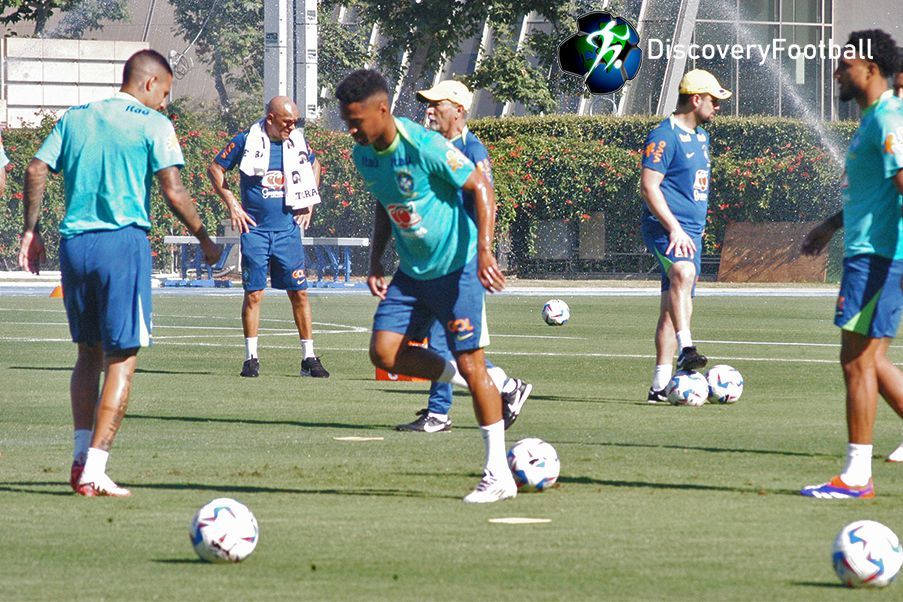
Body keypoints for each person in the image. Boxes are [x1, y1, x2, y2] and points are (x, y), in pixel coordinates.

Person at [18, 49, 221, 497]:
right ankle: (95, 468)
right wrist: (205, 238)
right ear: (149, 83)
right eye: (166, 93)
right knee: (121, 360)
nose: (166, 103)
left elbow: (36, 167)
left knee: (86, 354)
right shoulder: (153, 124)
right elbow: (173, 190)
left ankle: (78, 458)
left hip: (75, 245)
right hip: (121, 244)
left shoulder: (76, 116)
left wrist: (31, 232)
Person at [336, 69, 515, 503]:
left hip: (457, 268)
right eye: (347, 121)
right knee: (384, 352)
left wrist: (486, 251)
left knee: (472, 365)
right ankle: (482, 380)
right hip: (412, 273)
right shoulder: (364, 155)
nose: (352, 129)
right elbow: (386, 203)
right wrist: (376, 257)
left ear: (383, 110)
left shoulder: (425, 146)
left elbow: (481, 187)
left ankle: (498, 474)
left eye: (357, 120)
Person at [390, 79, 532, 433]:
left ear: (459, 110)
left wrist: (484, 252)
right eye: (428, 102)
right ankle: (504, 385)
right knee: (424, 345)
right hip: (434, 262)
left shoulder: (473, 151)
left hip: (460, 263)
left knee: (442, 343)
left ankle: (441, 413)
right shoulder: (429, 146)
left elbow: (488, 200)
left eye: (437, 103)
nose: (429, 109)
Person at [799, 29, 903, 499]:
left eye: (845, 63)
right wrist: (829, 226)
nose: (837, 71)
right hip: (869, 250)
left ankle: (856, 477)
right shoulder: (872, 119)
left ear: (871, 69)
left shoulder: (889, 120)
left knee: (856, 362)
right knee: (870, 361)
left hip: (880, 256)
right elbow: (873, 192)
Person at [208, 96, 329, 379]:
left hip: (287, 230)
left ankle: (308, 358)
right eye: (288, 122)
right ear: (271, 119)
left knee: (299, 292)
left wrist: (309, 200)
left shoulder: (296, 141)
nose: (293, 126)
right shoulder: (245, 140)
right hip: (256, 231)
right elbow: (215, 168)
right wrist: (232, 203)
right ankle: (251, 358)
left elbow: (316, 164)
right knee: (254, 294)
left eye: (296, 121)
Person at [640, 69, 731, 403]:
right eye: (713, 101)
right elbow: (649, 187)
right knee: (684, 272)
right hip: (666, 230)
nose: (717, 108)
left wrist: (695, 225)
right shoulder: (664, 136)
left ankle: (659, 387)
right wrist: (675, 228)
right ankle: (687, 350)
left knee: (672, 308)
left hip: (691, 233)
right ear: (696, 100)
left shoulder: (702, 137)